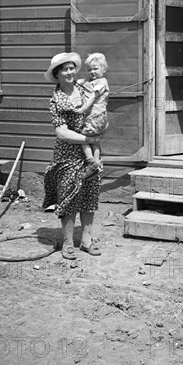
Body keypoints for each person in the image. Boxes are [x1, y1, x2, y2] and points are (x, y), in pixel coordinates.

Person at [42, 52, 102, 260]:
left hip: (91, 150)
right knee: (68, 196)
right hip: (67, 153)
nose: (69, 72)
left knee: (89, 194)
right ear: (57, 74)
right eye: (64, 70)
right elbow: (62, 132)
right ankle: (68, 241)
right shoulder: (56, 99)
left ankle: (86, 240)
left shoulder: (84, 87)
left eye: (71, 68)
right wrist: (88, 140)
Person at [76, 53, 109, 180]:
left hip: (95, 117)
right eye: (89, 69)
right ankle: (96, 164)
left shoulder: (102, 83)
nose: (92, 72)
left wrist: (83, 109)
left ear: (103, 69)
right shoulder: (92, 81)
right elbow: (81, 82)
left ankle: (90, 161)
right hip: (97, 117)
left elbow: (93, 97)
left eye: (95, 69)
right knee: (95, 141)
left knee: (82, 138)